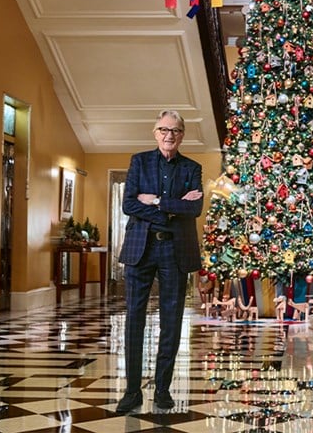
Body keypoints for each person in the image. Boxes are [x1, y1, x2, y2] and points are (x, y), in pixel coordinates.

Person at [116, 110, 203, 414]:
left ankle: (163, 390)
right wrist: (171, 211)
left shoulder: (192, 168)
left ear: (182, 135)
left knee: (171, 321)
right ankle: (131, 391)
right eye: (164, 129)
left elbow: (194, 209)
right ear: (155, 133)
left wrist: (153, 201)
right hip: (141, 248)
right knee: (134, 319)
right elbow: (128, 204)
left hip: (174, 251)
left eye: (176, 131)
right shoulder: (139, 162)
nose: (169, 135)